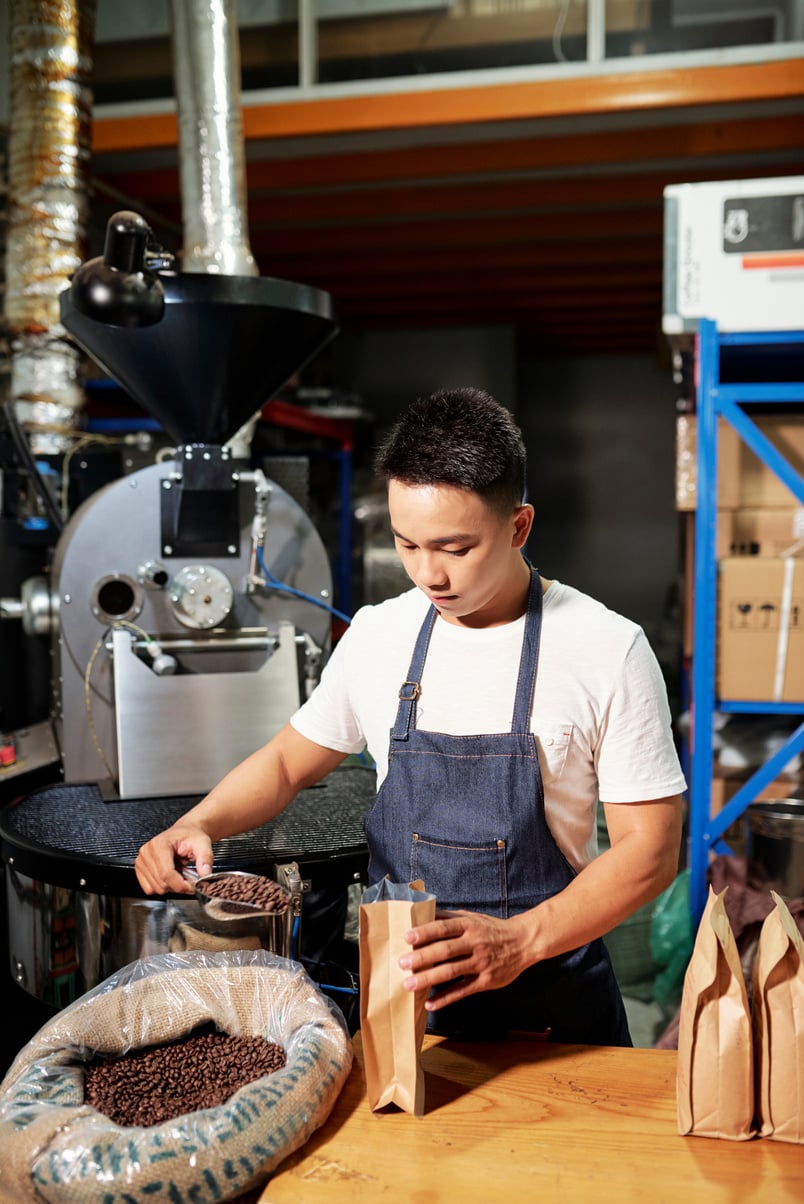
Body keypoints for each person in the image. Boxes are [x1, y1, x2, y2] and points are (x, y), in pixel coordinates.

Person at [135, 386, 686, 1046]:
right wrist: (200, 821)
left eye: (455, 548)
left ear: (519, 527)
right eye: (408, 545)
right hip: (406, 1006)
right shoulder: (379, 634)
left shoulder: (606, 648)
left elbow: (649, 851)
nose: (429, 574)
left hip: (550, 1002)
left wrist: (519, 940)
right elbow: (287, 763)